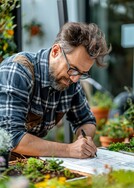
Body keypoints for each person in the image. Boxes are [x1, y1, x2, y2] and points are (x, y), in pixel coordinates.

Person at [0, 22, 111, 159]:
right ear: (55, 51)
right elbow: (12, 137)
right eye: (74, 69)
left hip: (27, 163)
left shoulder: (70, 80)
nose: (75, 79)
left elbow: (85, 120)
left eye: (82, 73)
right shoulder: (18, 70)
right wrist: (69, 150)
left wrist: (84, 141)